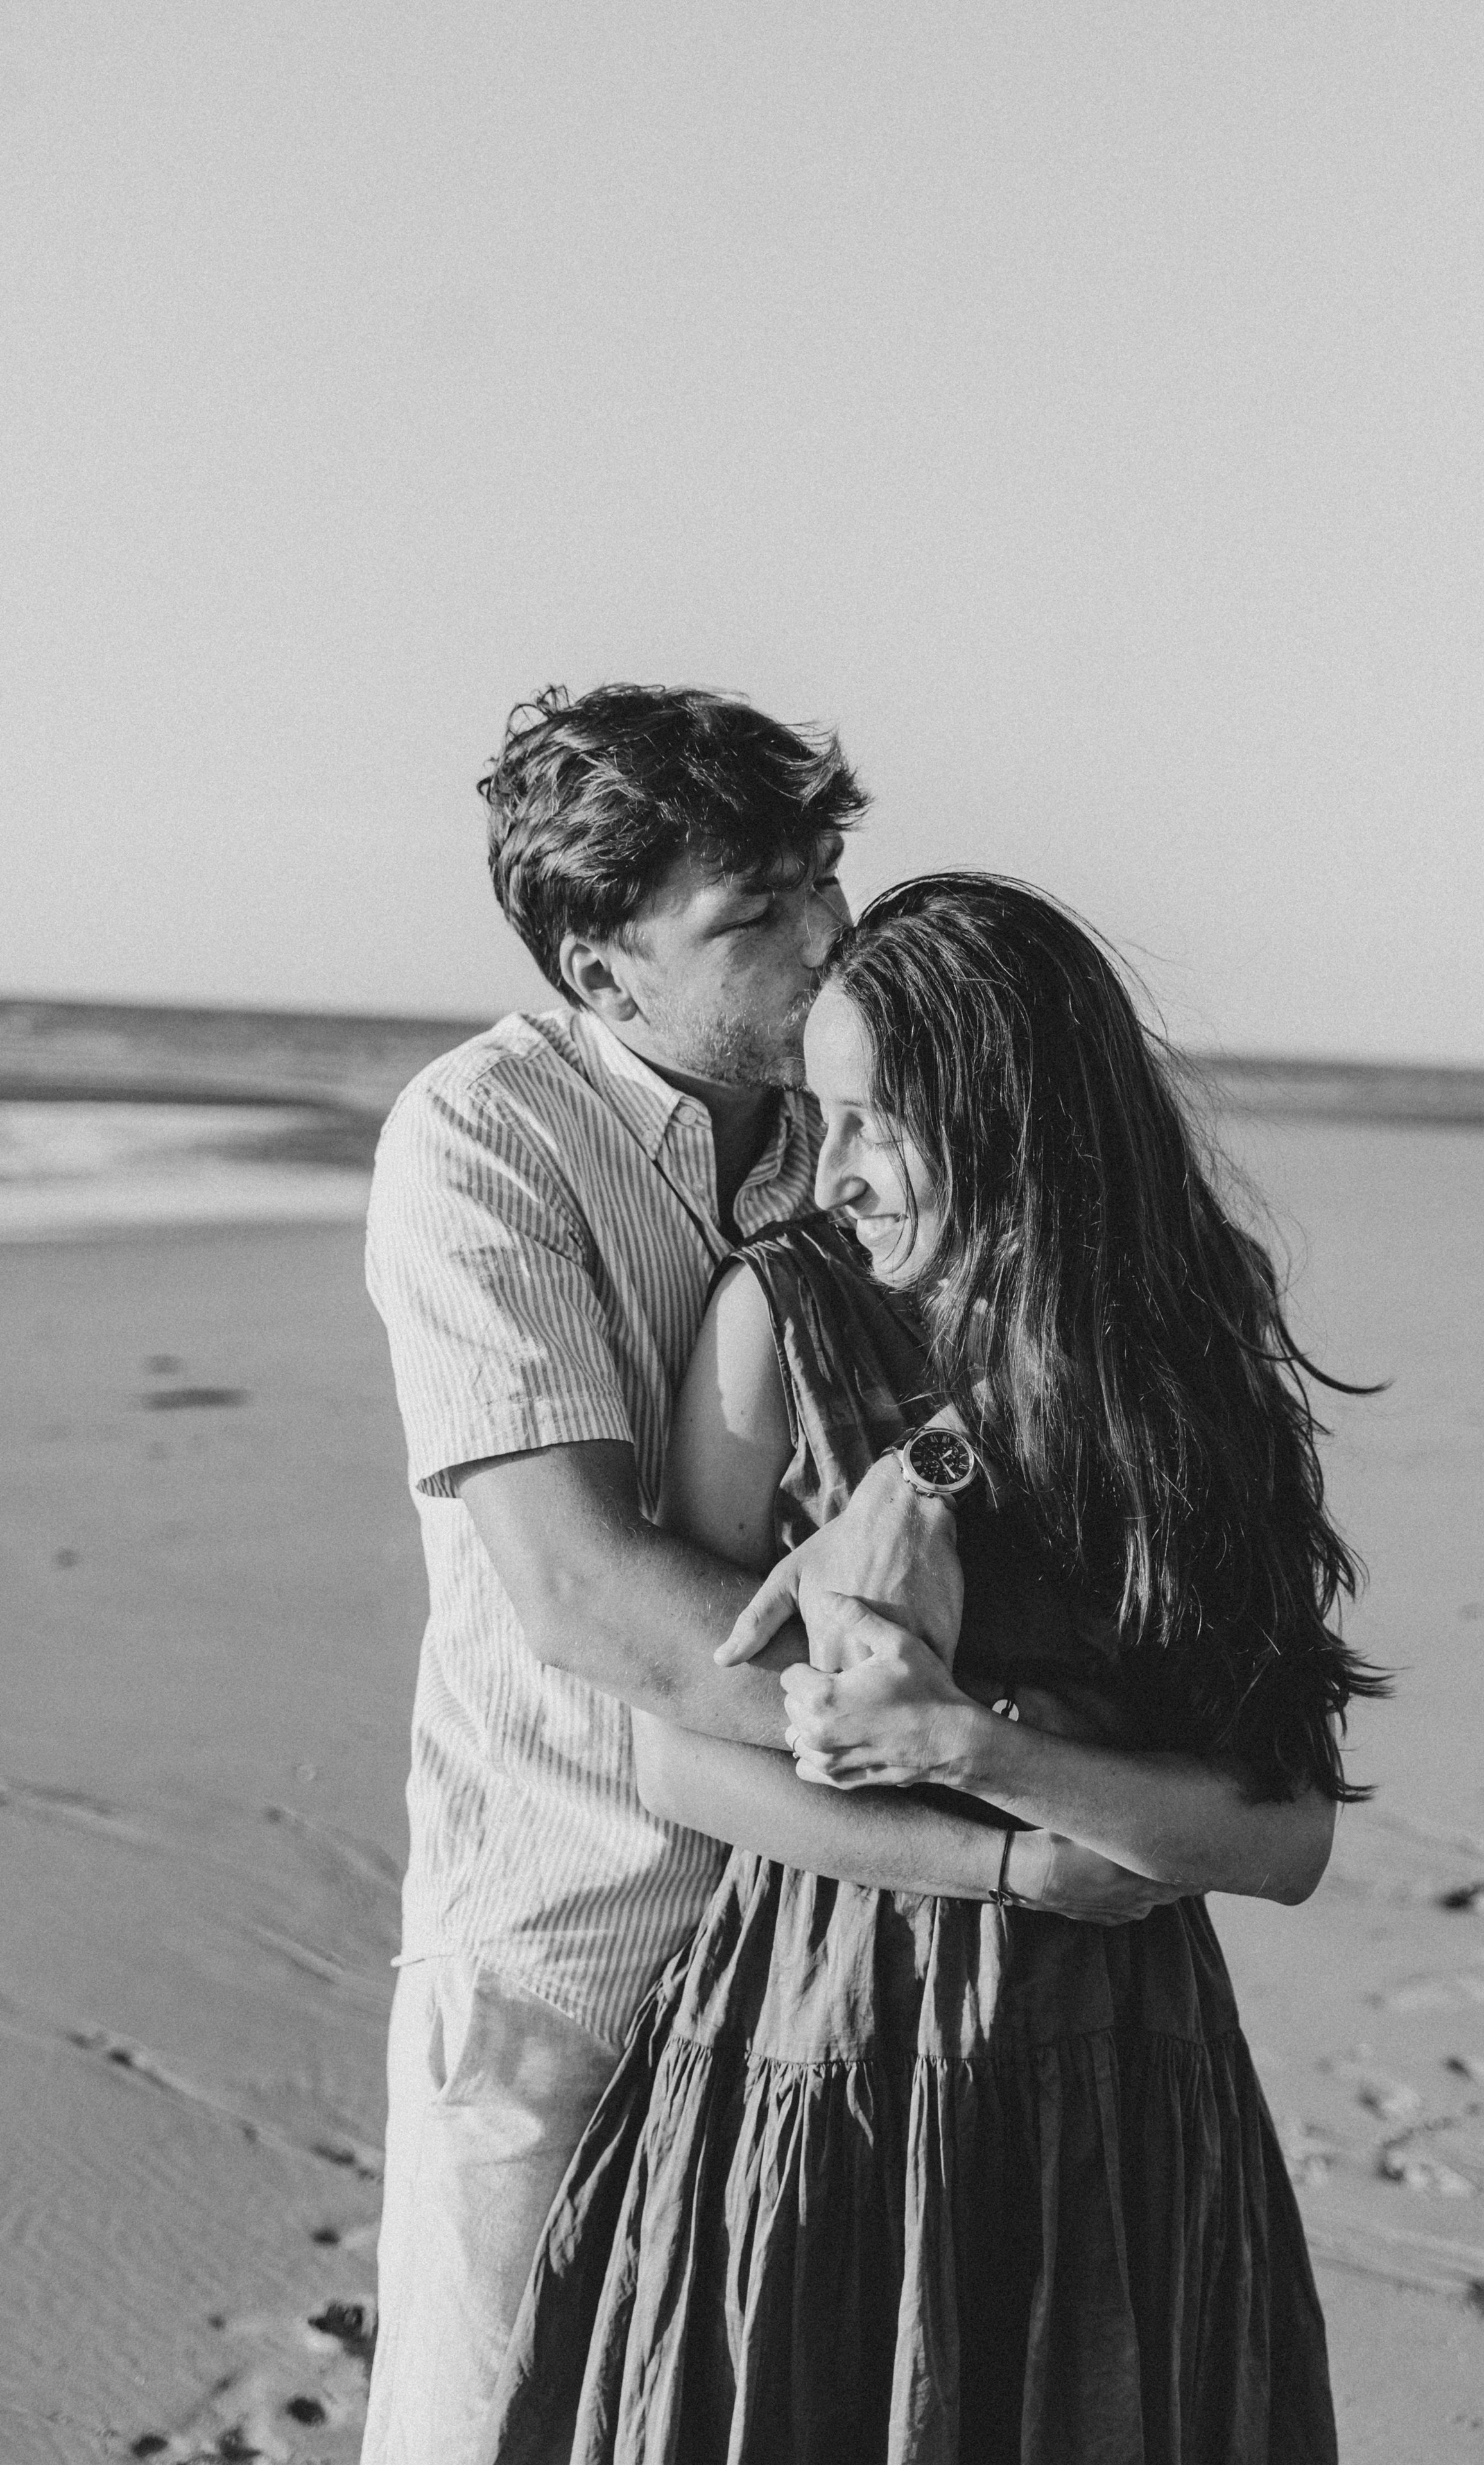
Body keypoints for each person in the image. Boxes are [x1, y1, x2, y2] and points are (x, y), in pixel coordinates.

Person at [485, 875, 1387, 2465]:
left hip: (1114, 2084)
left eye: (876, 1125)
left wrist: (977, 1747)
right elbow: (680, 1763)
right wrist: (1006, 1860)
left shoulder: (1184, 1371)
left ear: (1014, 1119)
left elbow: (1283, 1837)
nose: (829, 1174)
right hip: (823, 2045)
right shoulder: (776, 1323)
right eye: (814, 1117)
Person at [362, 694, 1160, 2463]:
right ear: (604, 966)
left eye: (823, 880)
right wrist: (975, 1783)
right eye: (756, 915)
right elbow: (582, 1597)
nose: (826, 937)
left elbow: (1035, 1409)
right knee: (490, 2428)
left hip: (833, 1962)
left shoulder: (858, 1120)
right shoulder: (483, 1140)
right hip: (575, 1930)